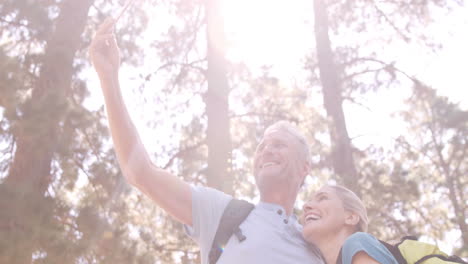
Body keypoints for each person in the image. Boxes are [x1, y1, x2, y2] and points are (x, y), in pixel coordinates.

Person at [89, 18, 323, 264]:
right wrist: (108, 79)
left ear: (304, 166)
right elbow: (140, 172)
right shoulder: (222, 213)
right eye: (262, 146)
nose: (266, 151)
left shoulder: (318, 245)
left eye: (279, 145)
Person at [302, 185, 398, 264]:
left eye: (323, 198)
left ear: (350, 218)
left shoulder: (357, 241)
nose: (306, 206)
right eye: (309, 201)